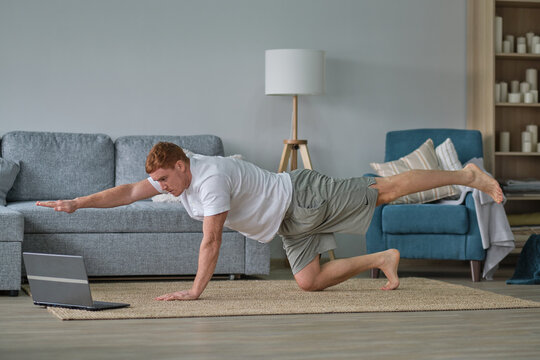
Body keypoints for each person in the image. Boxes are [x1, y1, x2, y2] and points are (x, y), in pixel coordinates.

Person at [37, 142, 503, 301]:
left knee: (384, 191)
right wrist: (77, 203)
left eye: (165, 178)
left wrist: (196, 290)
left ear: (182, 165)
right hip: (287, 221)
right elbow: (127, 192)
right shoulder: (176, 175)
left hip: (304, 196)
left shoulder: (210, 180)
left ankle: (466, 175)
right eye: (157, 180)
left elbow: (211, 241)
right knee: (309, 281)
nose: (161, 186)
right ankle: (383, 258)